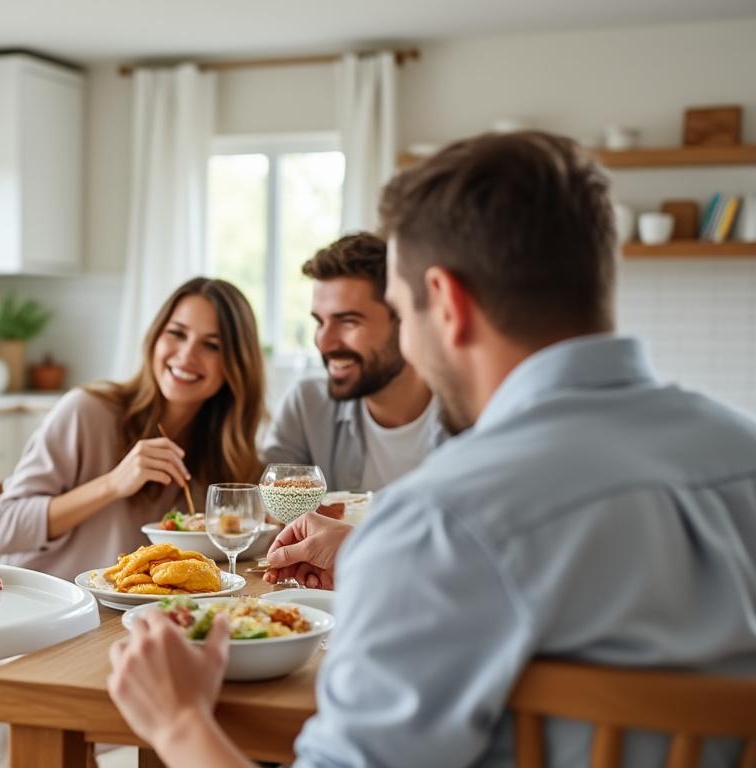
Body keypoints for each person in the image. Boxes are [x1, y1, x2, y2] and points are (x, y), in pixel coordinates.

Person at [107, 131, 756, 767]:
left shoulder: (442, 520)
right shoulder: (742, 452)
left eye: (400, 307)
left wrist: (180, 722)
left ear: (446, 302)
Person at [0, 277, 265, 580]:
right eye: (176, 333)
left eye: (212, 345)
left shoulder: (225, 449)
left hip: (141, 619)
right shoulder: (86, 411)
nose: (186, 355)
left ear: (237, 363)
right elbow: (2, 530)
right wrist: (113, 484)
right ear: (155, 337)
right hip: (52, 609)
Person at [262, 232, 445, 492]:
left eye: (348, 322)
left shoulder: (471, 418)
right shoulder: (307, 406)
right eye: (320, 322)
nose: (324, 342)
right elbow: (267, 512)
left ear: (404, 320)